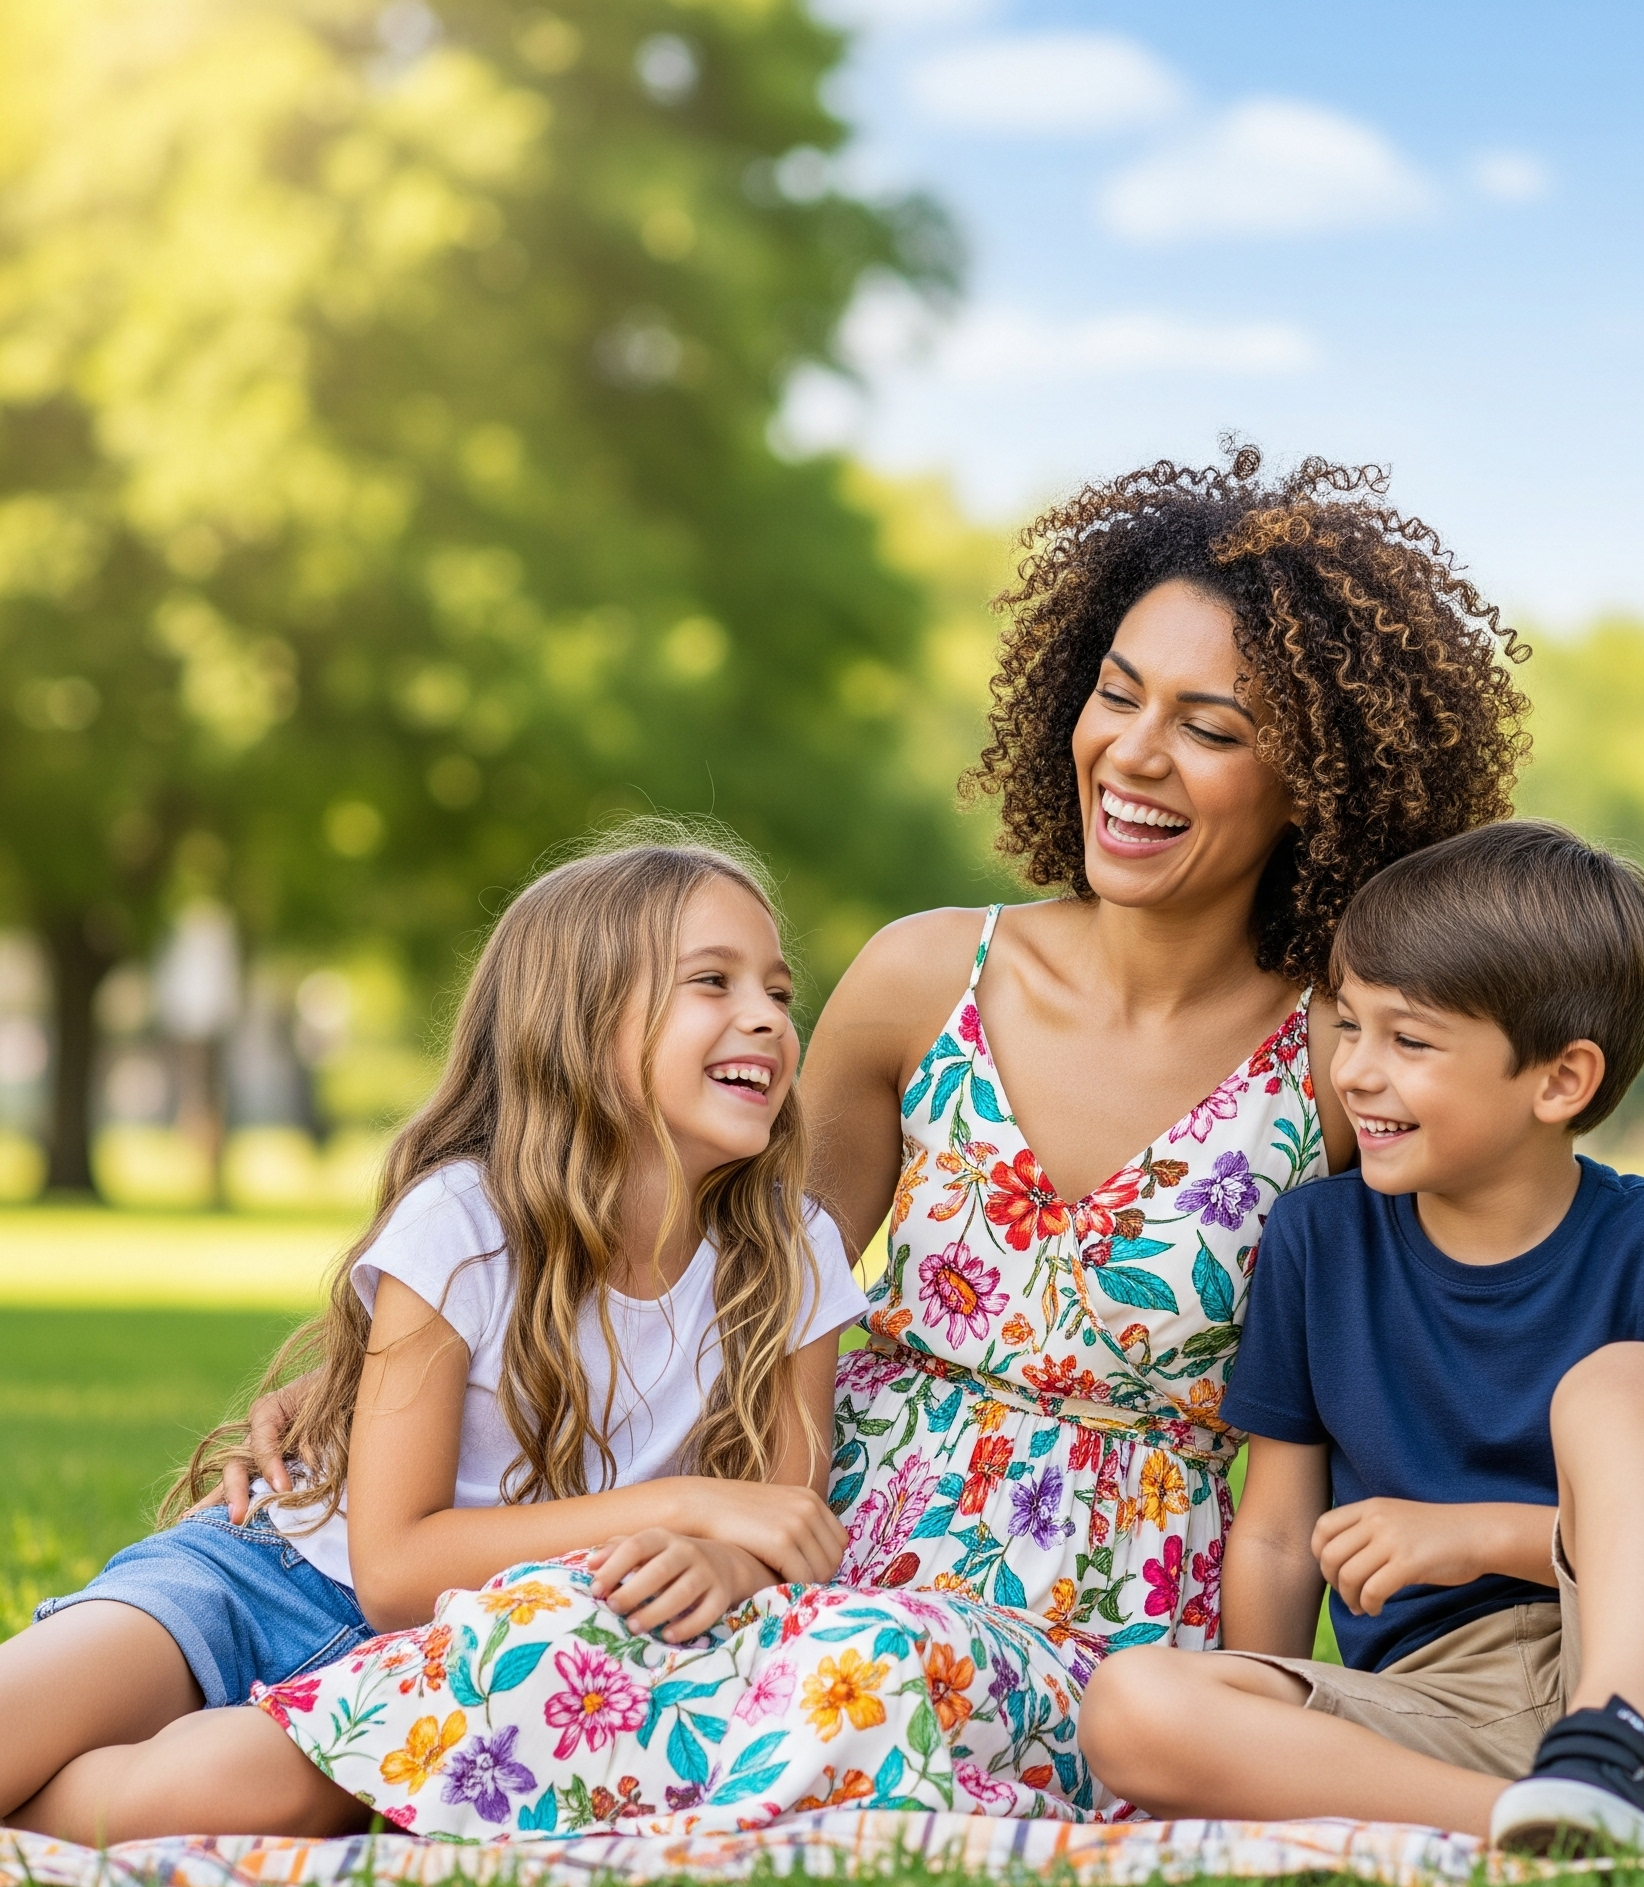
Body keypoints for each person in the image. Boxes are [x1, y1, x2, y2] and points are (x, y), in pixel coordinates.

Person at [137, 449, 1531, 1839]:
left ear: (1322, 782)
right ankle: (117, 1788)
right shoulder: (927, 979)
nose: (1136, 751)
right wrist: (356, 1385)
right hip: (803, 1537)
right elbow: (710, 1265)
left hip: (1100, 1618)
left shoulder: (1344, 1067)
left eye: (1211, 725)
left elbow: (1403, 1374)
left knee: (836, 1686)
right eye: (1117, 691)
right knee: (497, 1675)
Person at [4, 829, 871, 1842]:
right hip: (268, 1581)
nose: (765, 1018)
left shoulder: (791, 1254)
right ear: (580, 1025)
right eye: (712, 983)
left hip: (454, 1672)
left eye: (778, 991)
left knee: (262, 1797)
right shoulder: (462, 1222)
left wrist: (734, 1564)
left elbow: (785, 1524)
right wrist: (682, 1504)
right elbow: (392, 1567)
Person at [1080, 820, 1644, 1851]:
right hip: (1435, 1707)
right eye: (1348, 1025)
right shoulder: (1316, 1238)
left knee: (1621, 1385)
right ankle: (1606, 1819)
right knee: (1130, 1706)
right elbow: (1271, 1530)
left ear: (1558, 1081)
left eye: (1409, 1040)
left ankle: (1616, 1757)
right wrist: (1273, 1696)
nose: (1354, 1071)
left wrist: (1475, 1534)